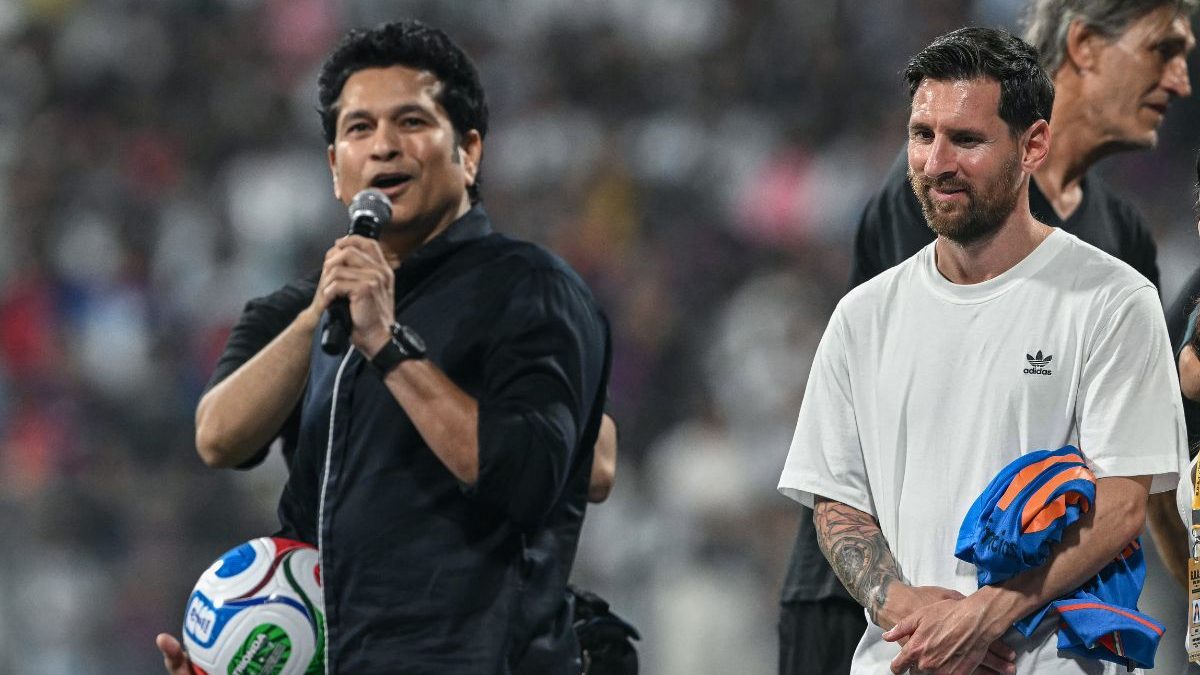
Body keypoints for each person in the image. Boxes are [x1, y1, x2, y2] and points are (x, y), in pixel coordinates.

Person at [157, 19, 611, 674]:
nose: (384, 147)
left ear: (470, 151)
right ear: (336, 168)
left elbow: (527, 479)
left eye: (412, 122)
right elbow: (219, 437)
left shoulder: (532, 290)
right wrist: (324, 313)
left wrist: (386, 343)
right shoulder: (299, 309)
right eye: (359, 128)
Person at [779, 3, 1196, 671]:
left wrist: (984, 616)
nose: (936, 162)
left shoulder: (1113, 300)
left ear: (1032, 145)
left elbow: (1121, 505)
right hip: (905, 658)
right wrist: (911, 613)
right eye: (922, 135)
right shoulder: (862, 316)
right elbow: (838, 503)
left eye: (966, 140)